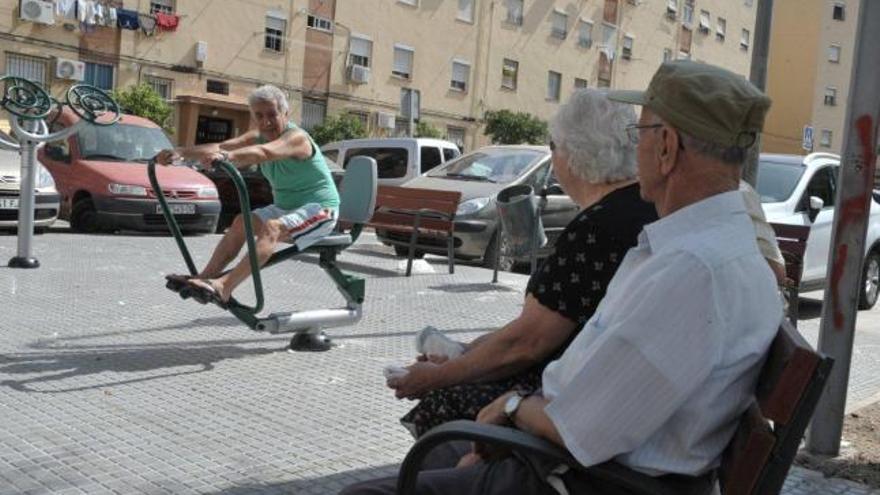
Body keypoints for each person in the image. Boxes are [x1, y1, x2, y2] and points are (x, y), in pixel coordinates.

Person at [341, 60, 783, 495]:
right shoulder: (720, 248)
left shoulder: (692, 269)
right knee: (443, 449)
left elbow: (580, 430)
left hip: (576, 478)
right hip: (578, 462)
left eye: (641, 133)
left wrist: (511, 408)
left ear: (666, 146)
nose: (636, 149)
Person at [389, 88, 659, 438]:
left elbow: (527, 344)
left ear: (573, 154)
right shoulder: (639, 205)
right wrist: (465, 353)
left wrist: (438, 376)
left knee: (448, 402)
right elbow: (531, 328)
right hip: (598, 392)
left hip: (566, 401)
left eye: (553, 146)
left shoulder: (601, 227)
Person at [157, 85, 339, 306]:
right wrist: (181, 152)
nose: (266, 122)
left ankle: (224, 286)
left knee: (272, 227)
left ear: (285, 114)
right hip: (286, 208)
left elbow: (265, 153)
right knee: (241, 222)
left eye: (272, 114)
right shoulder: (258, 136)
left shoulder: (296, 138)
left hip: (320, 210)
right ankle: (204, 278)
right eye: (259, 116)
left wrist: (226, 156)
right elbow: (220, 145)